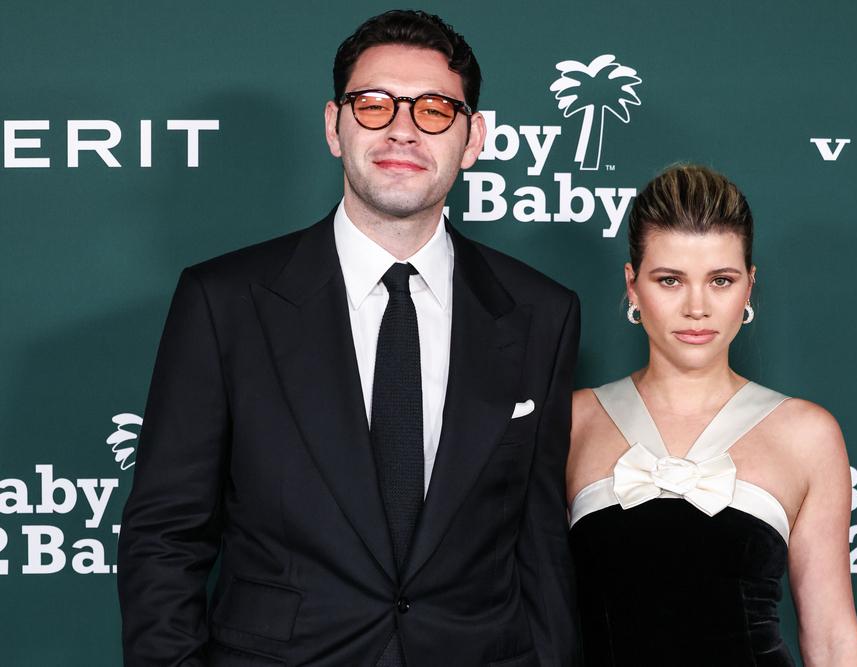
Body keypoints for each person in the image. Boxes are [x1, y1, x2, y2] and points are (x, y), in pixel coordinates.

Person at [118, 10, 580, 667]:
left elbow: (538, 544)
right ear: (334, 126)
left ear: (473, 138)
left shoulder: (541, 312)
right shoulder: (224, 302)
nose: (402, 129)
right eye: (373, 104)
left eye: (433, 110)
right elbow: (165, 536)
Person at [566, 165, 857, 665]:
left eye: (720, 281)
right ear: (633, 285)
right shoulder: (573, 422)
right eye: (670, 280)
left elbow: (832, 637)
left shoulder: (808, 435)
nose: (697, 308)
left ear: (749, 287)